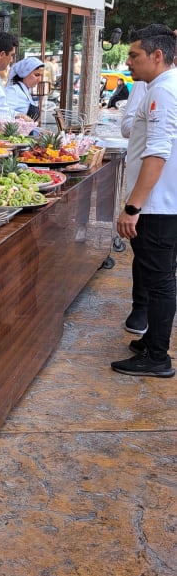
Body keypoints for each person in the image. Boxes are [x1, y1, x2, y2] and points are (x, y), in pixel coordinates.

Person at [111, 24, 177, 378]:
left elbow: (157, 152)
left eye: (134, 55)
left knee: (160, 280)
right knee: (158, 277)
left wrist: (133, 206)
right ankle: (152, 340)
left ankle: (157, 357)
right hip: (164, 202)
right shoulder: (162, 87)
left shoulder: (163, 92)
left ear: (157, 55)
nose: (128, 62)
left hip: (157, 206)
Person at [5, 56, 44, 120]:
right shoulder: (13, 91)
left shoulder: (25, 91)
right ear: (25, 73)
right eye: (37, 75)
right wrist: (18, 115)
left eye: (41, 76)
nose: (39, 80)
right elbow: (2, 112)